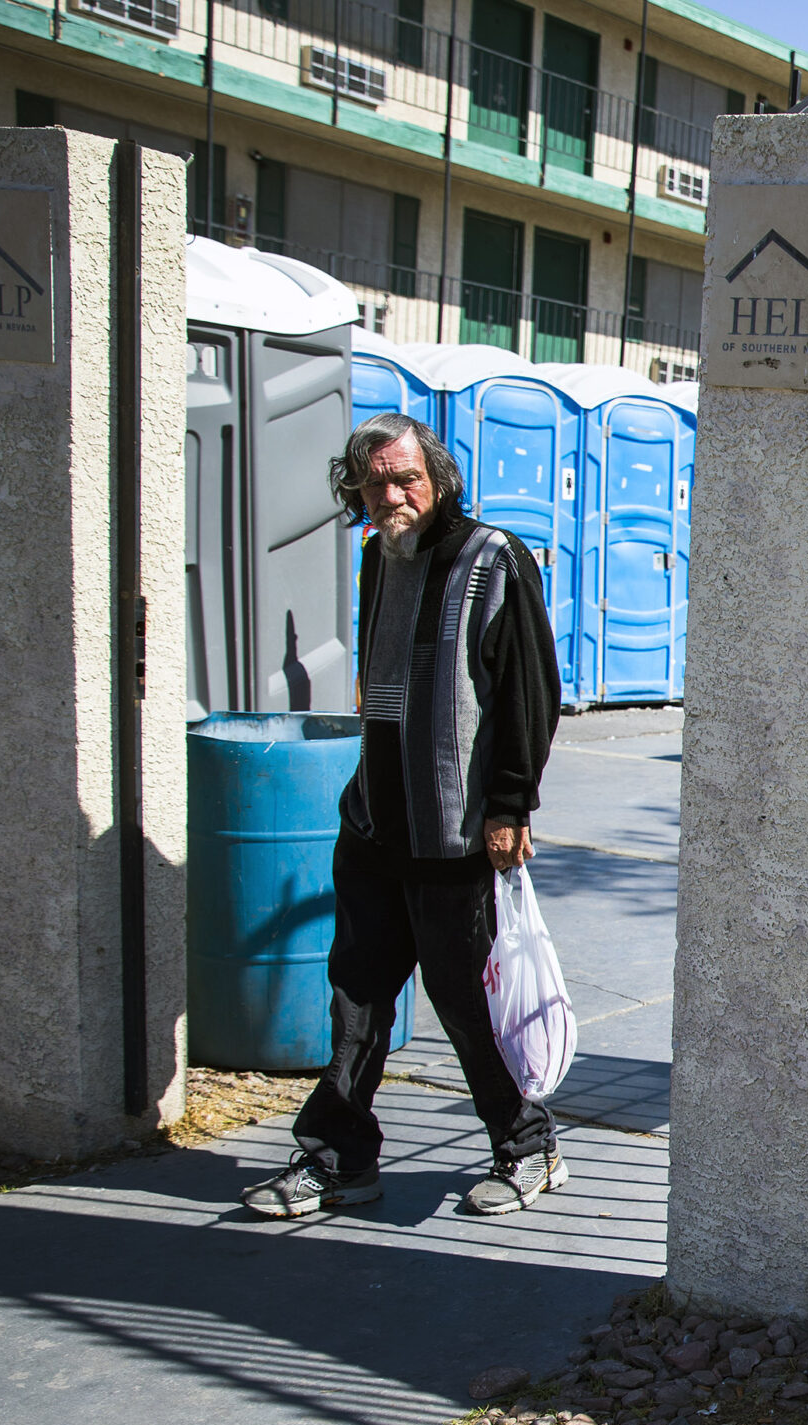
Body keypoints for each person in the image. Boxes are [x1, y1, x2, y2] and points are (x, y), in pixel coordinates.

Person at [241, 414, 565, 1219]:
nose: (390, 494)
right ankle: (336, 1157)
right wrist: (367, 797)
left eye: (404, 478)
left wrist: (510, 802)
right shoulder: (377, 559)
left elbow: (531, 692)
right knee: (356, 996)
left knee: (464, 1001)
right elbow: (384, 689)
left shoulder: (493, 558)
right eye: (373, 481)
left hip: (455, 829)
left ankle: (528, 1144)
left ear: (439, 480)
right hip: (377, 823)